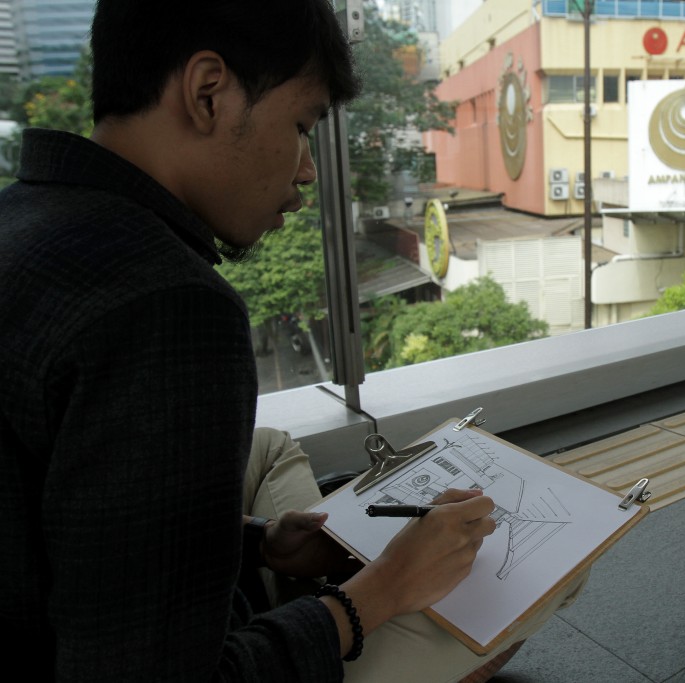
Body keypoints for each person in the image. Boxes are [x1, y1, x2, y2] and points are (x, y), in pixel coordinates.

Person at [0, 1, 583, 680]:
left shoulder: (24, 213)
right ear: (207, 92)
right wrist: (383, 589)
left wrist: (256, 544)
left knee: (270, 447)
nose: (307, 171)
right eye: (301, 126)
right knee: (548, 571)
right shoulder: (170, 305)